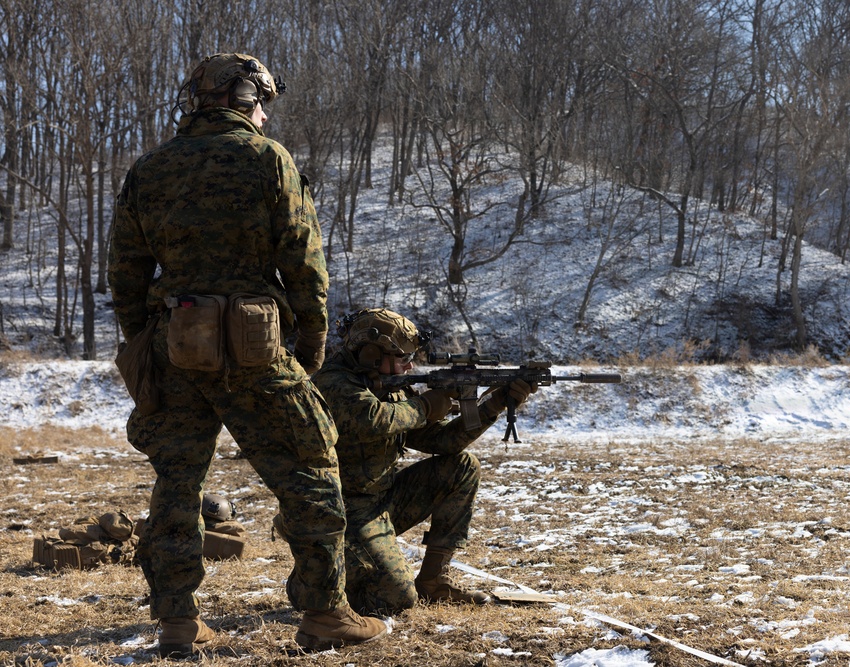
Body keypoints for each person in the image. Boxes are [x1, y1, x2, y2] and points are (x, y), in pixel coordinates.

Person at [108, 53, 386, 658]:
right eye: (262, 101)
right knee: (310, 464)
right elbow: (303, 261)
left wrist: (144, 344)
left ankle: (177, 621)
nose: (265, 113)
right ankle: (325, 612)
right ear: (242, 97)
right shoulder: (268, 158)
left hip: (174, 340)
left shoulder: (150, 168)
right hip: (255, 346)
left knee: (176, 480)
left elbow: (125, 271)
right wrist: (311, 342)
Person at [274, 308, 537, 616]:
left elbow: (443, 441)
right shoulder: (333, 384)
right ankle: (311, 580)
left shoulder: (388, 386)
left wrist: (494, 405)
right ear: (371, 354)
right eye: (403, 357)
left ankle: (434, 581)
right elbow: (373, 419)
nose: (410, 365)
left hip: (382, 501)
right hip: (338, 512)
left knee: (462, 467)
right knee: (396, 597)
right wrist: (424, 405)